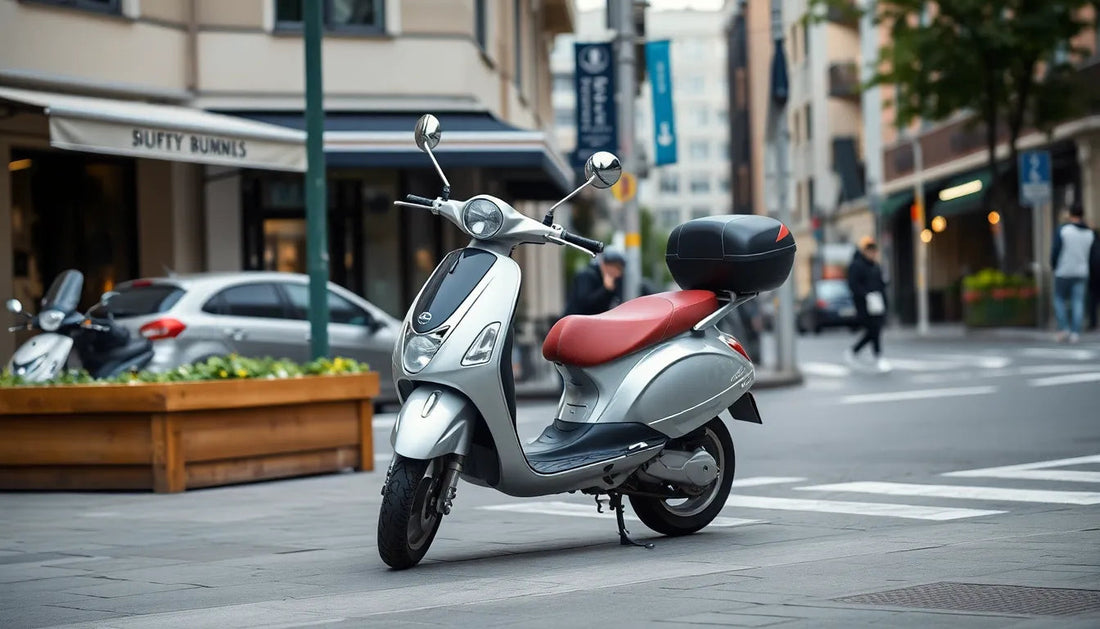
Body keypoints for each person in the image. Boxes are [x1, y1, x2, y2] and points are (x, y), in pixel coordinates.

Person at [845, 236, 891, 372]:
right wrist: (865, 295)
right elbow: (853, 285)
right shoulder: (857, 265)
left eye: (874, 251)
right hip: (864, 305)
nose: (872, 254)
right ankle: (877, 356)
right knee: (873, 330)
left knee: (875, 330)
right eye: (870, 251)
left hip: (877, 304)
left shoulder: (876, 266)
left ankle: (854, 352)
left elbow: (881, 285)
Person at [1051, 205, 1095, 343]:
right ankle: (1076, 332)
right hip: (1082, 271)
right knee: (1078, 301)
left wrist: (1054, 265)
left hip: (1063, 270)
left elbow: (1055, 251)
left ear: (1070, 214)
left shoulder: (1064, 230)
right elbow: (1093, 255)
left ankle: (1064, 328)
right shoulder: (1089, 233)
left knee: (1059, 299)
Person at [564, 249, 625, 316]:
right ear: (604, 265)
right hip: (577, 321)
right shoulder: (587, 275)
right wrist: (605, 290)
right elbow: (584, 304)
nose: (618, 273)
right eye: (616, 268)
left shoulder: (616, 280)